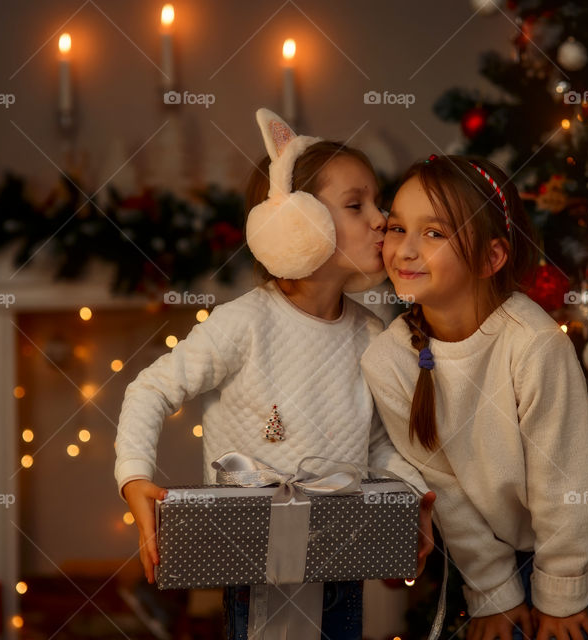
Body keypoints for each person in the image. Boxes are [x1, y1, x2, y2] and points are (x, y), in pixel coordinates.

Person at [115, 109, 436, 640]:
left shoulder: (376, 335)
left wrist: (409, 501)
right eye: (357, 206)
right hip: (251, 562)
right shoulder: (244, 323)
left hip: (340, 560)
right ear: (298, 223)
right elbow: (149, 388)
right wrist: (133, 477)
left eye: (377, 203)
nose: (382, 220)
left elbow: (377, 445)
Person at [361, 154, 588, 640]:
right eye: (397, 228)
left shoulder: (534, 344)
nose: (406, 250)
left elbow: (567, 483)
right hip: (513, 530)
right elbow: (446, 491)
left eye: (434, 233)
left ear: (490, 257)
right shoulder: (388, 360)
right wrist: (492, 591)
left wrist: (562, 591)